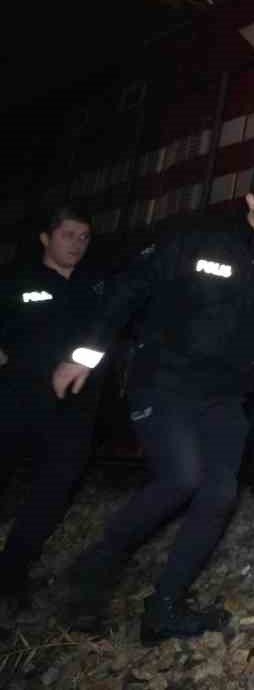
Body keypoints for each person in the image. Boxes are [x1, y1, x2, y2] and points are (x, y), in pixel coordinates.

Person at [57, 163, 254, 643]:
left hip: (224, 399)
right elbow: (128, 288)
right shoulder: (196, 239)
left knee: (218, 494)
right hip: (163, 384)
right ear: (251, 202)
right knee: (181, 478)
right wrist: (85, 354)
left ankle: (164, 607)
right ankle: (91, 569)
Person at [0, 205, 105, 612]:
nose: (77, 244)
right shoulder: (16, 282)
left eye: (84, 237)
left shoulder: (96, 287)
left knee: (52, 492)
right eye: (68, 235)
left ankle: (11, 574)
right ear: (46, 238)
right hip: (16, 402)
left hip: (73, 410)